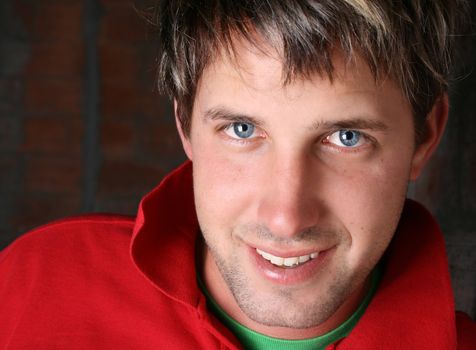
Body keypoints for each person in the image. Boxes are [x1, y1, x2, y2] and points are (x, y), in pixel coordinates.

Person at [1, 0, 475, 349]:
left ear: (425, 136)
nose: (286, 218)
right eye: (242, 129)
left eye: (346, 137)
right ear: (184, 122)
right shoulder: (30, 283)